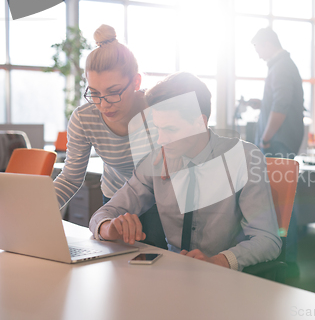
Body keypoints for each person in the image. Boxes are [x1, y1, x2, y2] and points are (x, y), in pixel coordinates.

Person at [89, 72, 282, 270]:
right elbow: (104, 213)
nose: (161, 140)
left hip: (226, 279)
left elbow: (267, 239)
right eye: (158, 129)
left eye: (171, 129)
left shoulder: (244, 158)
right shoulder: (158, 160)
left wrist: (218, 261)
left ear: (200, 122)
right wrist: (108, 228)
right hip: (173, 275)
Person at [53, 24, 150, 207]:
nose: (104, 105)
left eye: (114, 92)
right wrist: (36, 210)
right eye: (95, 93)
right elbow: (70, 178)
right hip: (117, 199)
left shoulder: (160, 109)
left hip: (162, 199)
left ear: (136, 82)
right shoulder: (84, 119)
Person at [248, 27, 304, 159]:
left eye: (259, 51)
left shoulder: (281, 67)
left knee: (275, 179)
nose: (259, 56)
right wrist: (264, 104)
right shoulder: (281, 65)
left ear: (267, 44)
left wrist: (265, 139)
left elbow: (281, 105)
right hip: (277, 141)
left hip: (277, 143)